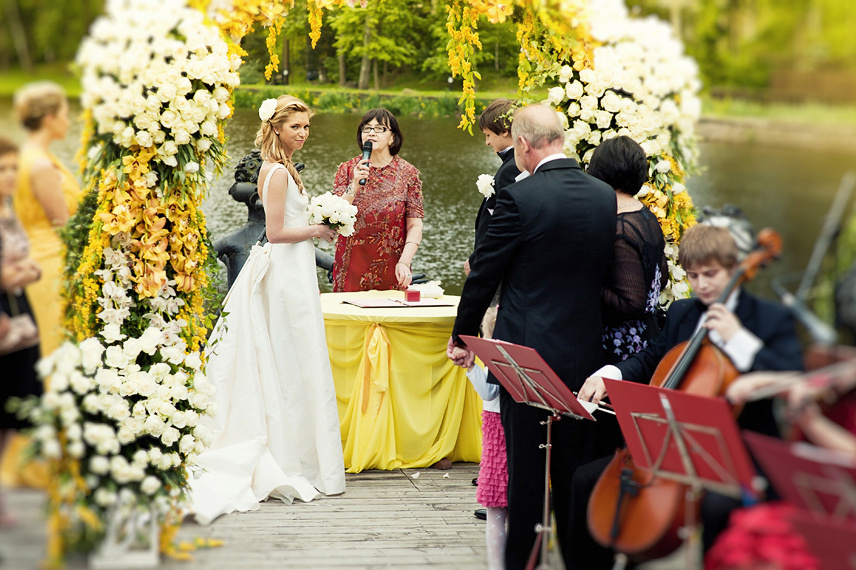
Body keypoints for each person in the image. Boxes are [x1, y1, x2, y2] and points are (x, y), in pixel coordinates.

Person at [570, 223, 804, 568]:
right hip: (672, 448)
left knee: (714, 506)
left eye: (711, 274)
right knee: (584, 480)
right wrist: (614, 372)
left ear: (734, 268)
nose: (702, 285)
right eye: (693, 275)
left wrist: (739, 339)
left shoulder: (768, 318)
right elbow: (653, 356)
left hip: (734, 453)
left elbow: (791, 373)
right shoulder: (683, 313)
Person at [448, 103, 618, 570]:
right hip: (586, 355)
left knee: (526, 477)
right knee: (573, 473)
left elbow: (483, 273)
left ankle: (525, 562)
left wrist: (462, 337)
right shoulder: (604, 195)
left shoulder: (520, 198)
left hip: (526, 361)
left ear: (522, 144)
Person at [190, 96, 345, 525]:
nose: (303, 133)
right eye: (295, 127)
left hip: (295, 272)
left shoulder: (287, 168)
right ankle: (286, 452)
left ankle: (300, 448)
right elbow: (274, 233)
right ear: (276, 129)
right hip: (283, 274)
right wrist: (318, 229)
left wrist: (325, 218)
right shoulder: (275, 172)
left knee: (297, 359)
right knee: (287, 358)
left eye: (306, 127)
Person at [12, 81, 80, 355]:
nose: (68, 120)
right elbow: (65, 226)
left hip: (33, 258)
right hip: (51, 264)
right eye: (64, 114)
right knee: (55, 346)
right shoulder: (40, 166)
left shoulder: (26, 156)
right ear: (50, 119)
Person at [587, 136, 668, 364]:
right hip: (650, 336)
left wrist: (586, 283)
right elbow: (660, 279)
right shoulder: (645, 215)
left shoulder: (620, 226)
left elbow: (631, 302)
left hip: (623, 348)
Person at [331, 108, 423, 292]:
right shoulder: (347, 170)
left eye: (379, 128)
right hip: (351, 266)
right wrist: (354, 185)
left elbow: (415, 225)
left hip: (394, 267)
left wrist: (405, 261)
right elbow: (335, 218)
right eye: (366, 128)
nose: (371, 132)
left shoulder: (408, 173)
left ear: (392, 137)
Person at [0, 137, 42, 526]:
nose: (10, 176)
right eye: (2, 169)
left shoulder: (8, 210)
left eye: (14, 168)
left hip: (18, 316)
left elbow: (28, 266)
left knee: (12, 410)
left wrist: (22, 271)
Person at [463, 307, 508, 570]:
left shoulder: (494, 359)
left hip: (496, 428)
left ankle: (497, 564)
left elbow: (488, 392)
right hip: (503, 426)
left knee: (495, 508)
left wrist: (471, 369)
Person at [464, 98, 521, 277]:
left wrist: (478, 258)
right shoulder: (512, 163)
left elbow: (501, 221)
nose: (487, 142)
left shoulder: (513, 167)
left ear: (504, 131)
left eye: (488, 135)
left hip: (498, 266)